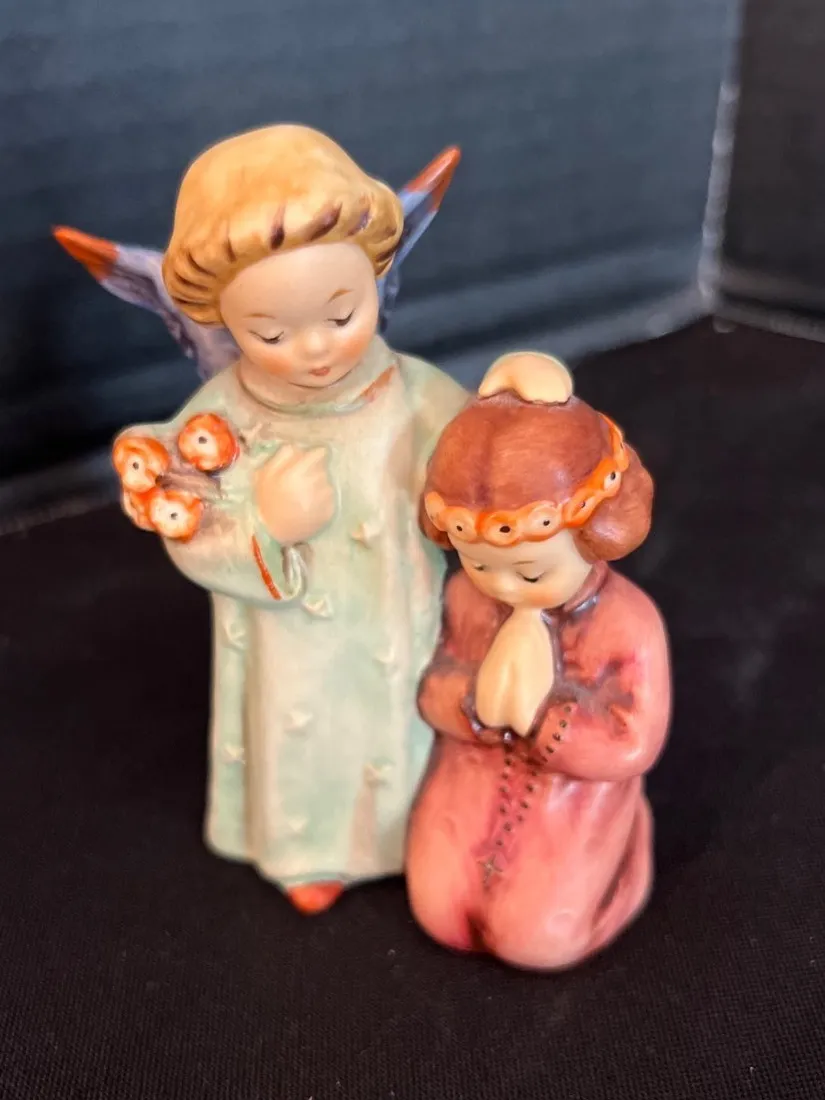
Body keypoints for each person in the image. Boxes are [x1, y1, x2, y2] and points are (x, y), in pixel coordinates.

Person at [111, 124, 467, 913]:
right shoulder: (225, 416)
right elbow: (184, 516)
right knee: (304, 730)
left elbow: (482, 459)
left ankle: (415, 830)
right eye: (270, 333)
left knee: (408, 724)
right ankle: (312, 847)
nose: (313, 349)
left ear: (375, 282)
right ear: (226, 324)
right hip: (293, 645)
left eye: (342, 315)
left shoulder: (415, 391)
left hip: (399, 619)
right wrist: (264, 523)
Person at [406, 351, 671, 968]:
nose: (502, 586)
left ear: (593, 534)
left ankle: (620, 865)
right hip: (469, 781)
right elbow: (432, 683)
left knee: (538, 942)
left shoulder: (627, 622)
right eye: (479, 564)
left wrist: (544, 718)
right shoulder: (466, 600)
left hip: (571, 802)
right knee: (438, 912)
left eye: (529, 571)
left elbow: (634, 739)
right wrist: (471, 703)